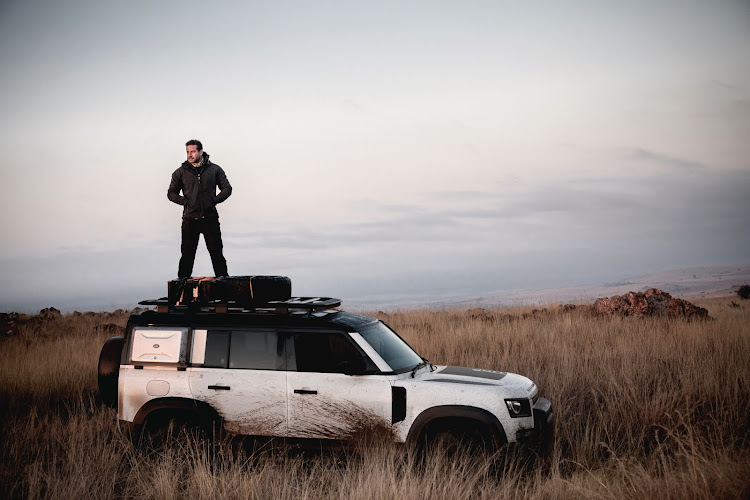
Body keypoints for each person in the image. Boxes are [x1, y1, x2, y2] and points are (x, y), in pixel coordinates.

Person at [168, 139, 232, 278]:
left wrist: (214, 201)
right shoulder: (180, 172)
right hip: (190, 219)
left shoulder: (214, 169)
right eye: (187, 152)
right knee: (187, 256)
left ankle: (225, 291)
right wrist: (186, 202)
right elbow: (171, 193)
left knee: (217, 256)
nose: (189, 155)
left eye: (193, 151)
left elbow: (227, 188)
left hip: (210, 218)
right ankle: (181, 293)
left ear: (201, 151)